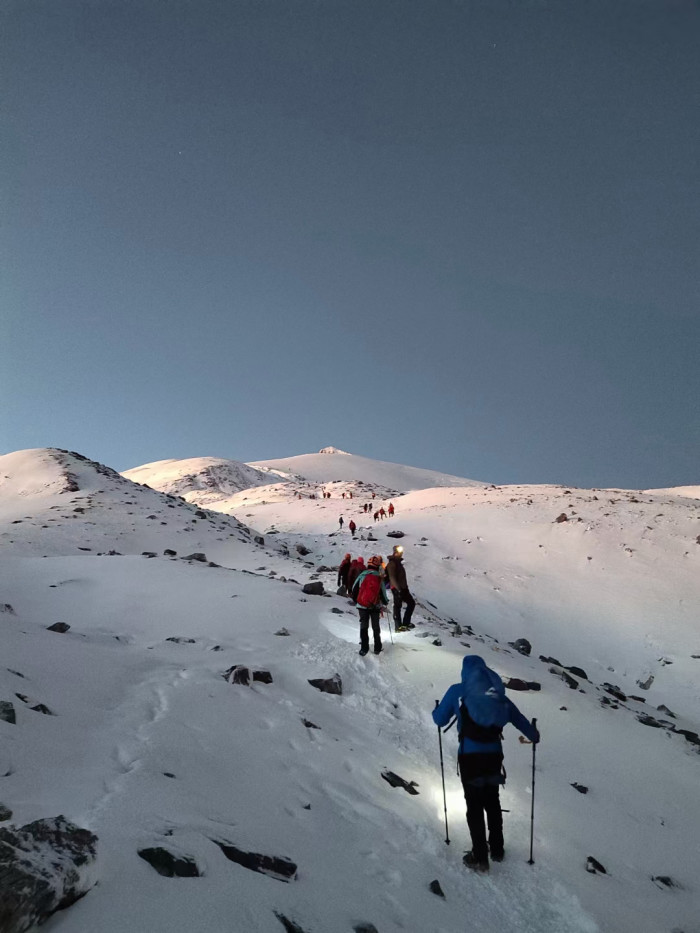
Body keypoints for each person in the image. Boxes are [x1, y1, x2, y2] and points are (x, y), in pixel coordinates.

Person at [432, 656, 540, 872]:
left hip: (470, 756)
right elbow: (523, 724)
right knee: (492, 800)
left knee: (474, 805)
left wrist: (437, 708)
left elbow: (439, 720)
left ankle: (480, 857)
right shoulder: (498, 696)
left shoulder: (458, 691)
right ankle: (497, 849)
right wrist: (534, 734)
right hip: (494, 756)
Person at [351, 555, 388, 655]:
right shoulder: (378, 577)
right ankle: (377, 648)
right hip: (375, 605)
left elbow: (354, 589)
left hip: (362, 605)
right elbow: (383, 593)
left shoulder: (362, 575)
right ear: (377, 566)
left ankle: (364, 648)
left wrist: (358, 601)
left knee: (364, 626)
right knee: (375, 626)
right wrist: (385, 602)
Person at [385, 545, 415, 630]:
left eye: (401, 552)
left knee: (411, 603)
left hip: (403, 588)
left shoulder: (398, 563)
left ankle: (405, 623)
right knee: (398, 606)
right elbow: (392, 577)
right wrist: (398, 589)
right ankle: (398, 626)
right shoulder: (392, 563)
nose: (401, 554)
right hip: (397, 588)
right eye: (399, 552)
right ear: (395, 552)